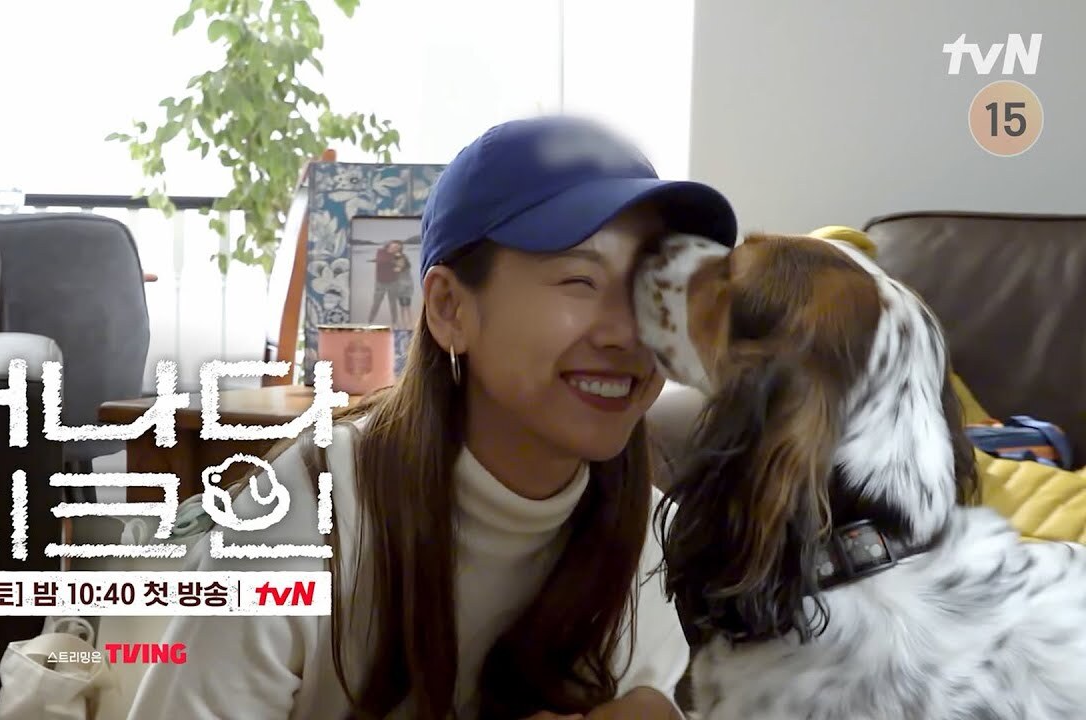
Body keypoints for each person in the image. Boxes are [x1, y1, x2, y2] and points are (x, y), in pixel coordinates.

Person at [127, 115, 738, 720]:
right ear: (449, 308)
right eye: (581, 280)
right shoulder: (306, 518)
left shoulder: (646, 537)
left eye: (652, 293)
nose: (628, 333)